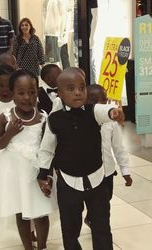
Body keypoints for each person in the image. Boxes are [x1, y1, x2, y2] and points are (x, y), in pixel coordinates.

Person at [37, 68, 125, 250]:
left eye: (81, 87)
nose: (77, 92)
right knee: (70, 229)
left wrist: (114, 112)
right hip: (68, 183)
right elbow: (46, 149)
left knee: (101, 226)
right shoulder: (54, 120)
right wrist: (43, 174)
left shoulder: (93, 112)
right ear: (59, 94)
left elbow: (105, 111)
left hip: (97, 179)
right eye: (70, 88)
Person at [0, 69, 56, 250]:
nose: (27, 98)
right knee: (20, 211)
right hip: (14, 174)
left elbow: (48, 148)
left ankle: (42, 246)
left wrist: (48, 176)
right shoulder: (6, 117)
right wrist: (9, 133)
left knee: (41, 212)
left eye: (32, 92)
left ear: (37, 92)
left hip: (36, 174)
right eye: (21, 93)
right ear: (12, 94)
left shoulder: (43, 118)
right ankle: (27, 247)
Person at [84, 84, 133, 227]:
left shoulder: (111, 122)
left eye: (104, 100)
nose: (101, 105)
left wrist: (125, 171)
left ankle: (93, 218)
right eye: (95, 101)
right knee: (95, 203)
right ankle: (98, 224)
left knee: (106, 198)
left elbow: (118, 148)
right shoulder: (83, 121)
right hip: (89, 172)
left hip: (107, 171)